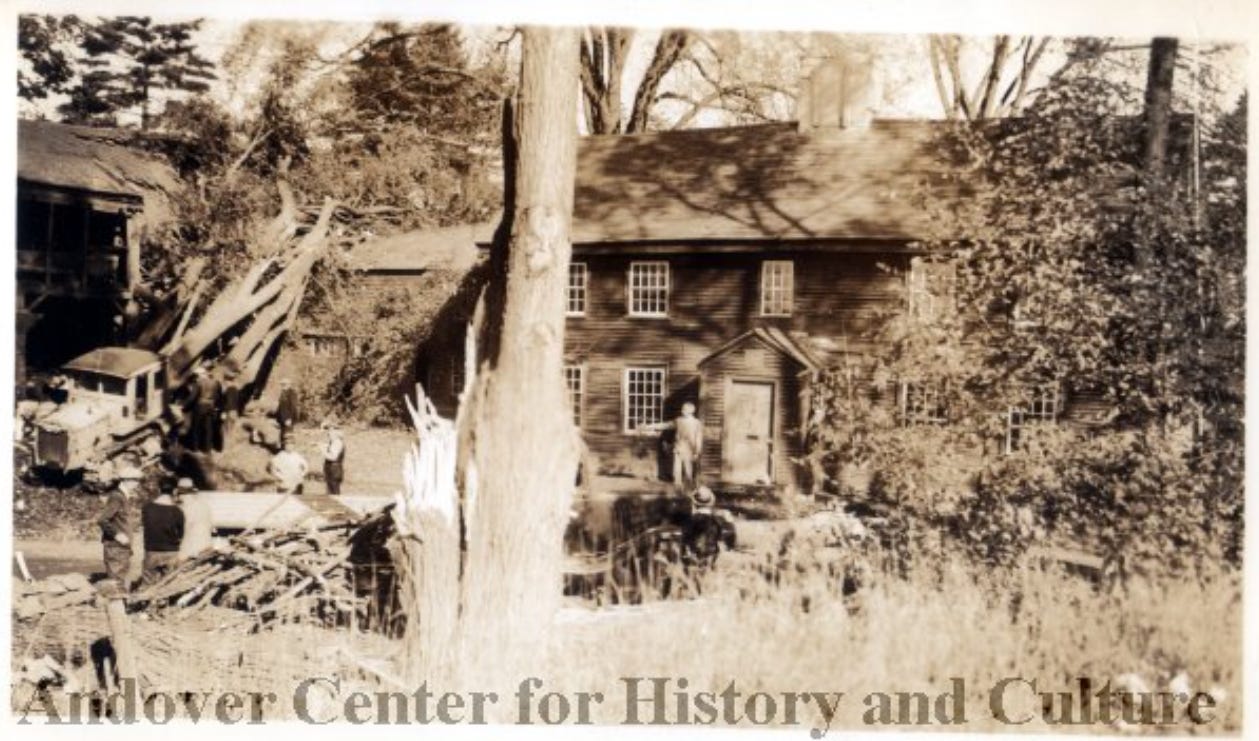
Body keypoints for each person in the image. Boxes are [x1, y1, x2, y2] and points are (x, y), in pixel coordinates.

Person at [640, 402, 704, 491]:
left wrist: (697, 452)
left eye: (684, 409)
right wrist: (649, 426)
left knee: (688, 471)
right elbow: (665, 425)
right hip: (678, 448)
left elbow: (698, 438)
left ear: (691, 411)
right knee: (676, 470)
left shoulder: (697, 423)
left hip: (689, 450)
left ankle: (688, 490)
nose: (682, 411)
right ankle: (677, 489)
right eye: (682, 409)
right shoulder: (679, 421)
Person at [97, 465, 142, 588]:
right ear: (126, 480)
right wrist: (117, 535)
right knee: (115, 585)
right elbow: (102, 520)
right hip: (115, 548)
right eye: (135, 480)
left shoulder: (123, 497)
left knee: (120, 582)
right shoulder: (117, 497)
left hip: (121, 548)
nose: (137, 483)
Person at [141, 481, 185, 585]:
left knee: (148, 583)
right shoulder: (177, 511)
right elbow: (181, 534)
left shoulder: (147, 508)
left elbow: (146, 525)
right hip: (171, 551)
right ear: (175, 491)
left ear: (159, 490)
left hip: (151, 550)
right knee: (169, 584)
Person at [175, 478, 213, 562]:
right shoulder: (204, 506)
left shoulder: (183, 509)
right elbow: (210, 527)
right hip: (206, 548)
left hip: (190, 552)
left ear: (180, 494)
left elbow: (180, 533)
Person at [191, 366, 222, 453]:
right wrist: (215, 405)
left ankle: (195, 448)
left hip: (200, 407)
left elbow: (192, 397)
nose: (196, 377)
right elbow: (219, 395)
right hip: (211, 406)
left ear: (200, 375)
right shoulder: (216, 382)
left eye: (196, 375)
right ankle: (207, 449)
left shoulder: (199, 383)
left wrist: (184, 406)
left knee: (196, 428)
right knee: (208, 428)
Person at [321, 420, 346, 495]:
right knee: (330, 492)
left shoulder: (337, 442)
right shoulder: (333, 443)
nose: (328, 433)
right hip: (331, 471)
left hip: (334, 471)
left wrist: (323, 450)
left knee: (334, 494)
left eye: (330, 431)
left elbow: (333, 457)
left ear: (336, 433)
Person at [275, 379, 299, 445]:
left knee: (288, 436)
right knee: (283, 434)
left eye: (285, 384)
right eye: (282, 384)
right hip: (282, 419)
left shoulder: (292, 393)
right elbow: (281, 407)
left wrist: (289, 418)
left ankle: (287, 451)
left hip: (288, 419)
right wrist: (278, 418)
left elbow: (293, 407)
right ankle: (282, 450)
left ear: (289, 385)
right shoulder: (283, 393)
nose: (283, 386)